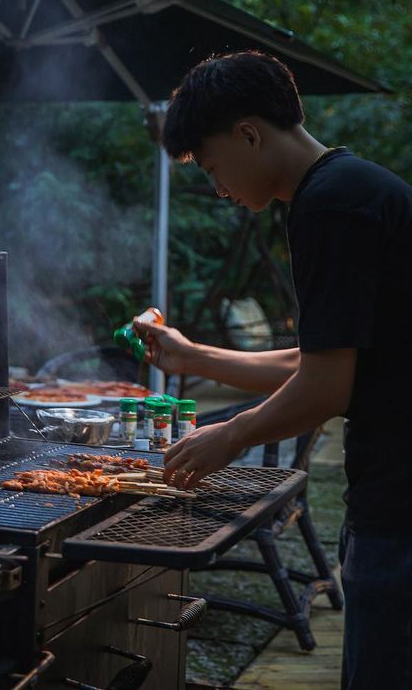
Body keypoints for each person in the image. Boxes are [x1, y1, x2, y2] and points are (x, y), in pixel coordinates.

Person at [133, 50, 412, 690]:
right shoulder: (352, 188)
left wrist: (226, 436)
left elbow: (324, 389)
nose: (217, 187)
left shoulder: (331, 206)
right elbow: (319, 360)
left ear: (249, 134)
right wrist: (195, 356)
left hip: (401, 504)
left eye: (212, 166)